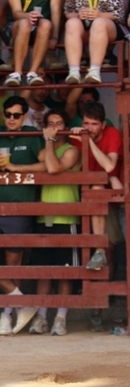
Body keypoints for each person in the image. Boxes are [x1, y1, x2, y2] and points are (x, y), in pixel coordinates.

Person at [0, 96, 46, 336]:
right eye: (8, 115)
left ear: (24, 116)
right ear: (3, 115)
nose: (12, 119)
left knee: (13, 266)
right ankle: (23, 304)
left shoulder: (33, 135)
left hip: (19, 207)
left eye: (16, 115)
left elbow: (44, 165)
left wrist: (16, 168)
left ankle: (7, 315)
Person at [31, 109, 81, 336]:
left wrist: (49, 140)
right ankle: (41, 316)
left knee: (65, 272)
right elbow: (46, 160)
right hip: (44, 215)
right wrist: (49, 142)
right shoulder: (45, 150)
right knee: (44, 271)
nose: (54, 127)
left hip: (66, 215)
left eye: (59, 123)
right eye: (50, 124)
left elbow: (53, 168)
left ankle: (60, 317)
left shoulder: (72, 150)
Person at [63, 0, 127, 85]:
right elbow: (67, 11)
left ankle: (94, 71)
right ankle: (73, 72)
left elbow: (119, 14)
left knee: (99, 23)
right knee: (71, 23)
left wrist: (100, 14)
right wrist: (78, 15)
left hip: (107, 28)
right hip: (84, 27)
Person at [71, 102, 122, 272]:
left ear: (103, 125)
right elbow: (74, 168)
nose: (89, 128)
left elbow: (109, 166)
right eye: (86, 123)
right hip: (87, 198)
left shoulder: (112, 133)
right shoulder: (75, 139)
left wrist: (88, 142)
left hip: (113, 198)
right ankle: (99, 252)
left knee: (112, 244)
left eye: (94, 124)